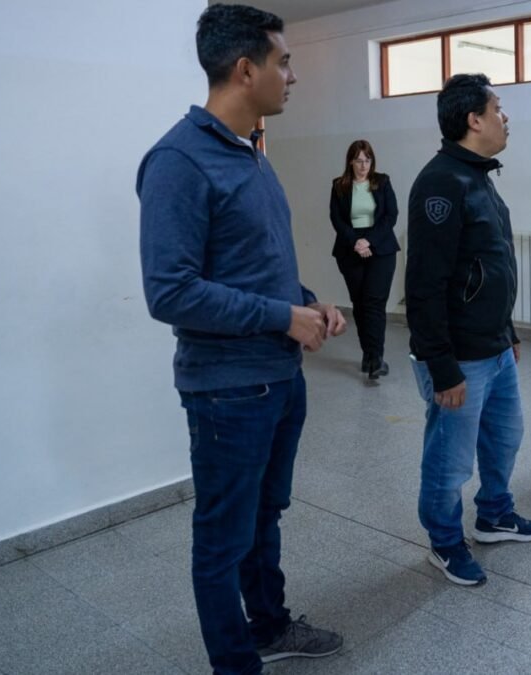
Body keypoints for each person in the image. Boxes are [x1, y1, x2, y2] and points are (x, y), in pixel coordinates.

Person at [136, 5, 346, 673]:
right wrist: (283, 317)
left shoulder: (251, 153)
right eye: (284, 62)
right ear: (245, 68)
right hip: (228, 391)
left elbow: (255, 264)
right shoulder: (178, 161)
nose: (293, 75)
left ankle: (269, 625)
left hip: (279, 379)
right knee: (222, 537)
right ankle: (236, 661)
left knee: (265, 516)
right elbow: (168, 292)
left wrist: (307, 303)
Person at [406, 73, 531, 587]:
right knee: (449, 461)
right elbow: (424, 285)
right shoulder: (442, 182)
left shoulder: (477, 176)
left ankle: (494, 515)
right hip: (459, 357)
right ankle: (445, 543)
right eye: (498, 108)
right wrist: (442, 367)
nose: (505, 117)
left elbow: (490, 265)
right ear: (474, 119)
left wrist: (506, 331)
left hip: (494, 348)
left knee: (505, 438)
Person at [329, 140, 400, 380]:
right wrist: (356, 242)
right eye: (359, 160)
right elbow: (337, 219)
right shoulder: (339, 186)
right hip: (350, 249)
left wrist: (368, 240)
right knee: (359, 303)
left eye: (367, 160)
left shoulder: (382, 181)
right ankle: (368, 354)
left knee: (374, 302)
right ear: (350, 161)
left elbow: (391, 215)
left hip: (380, 247)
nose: (363, 166)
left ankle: (375, 358)